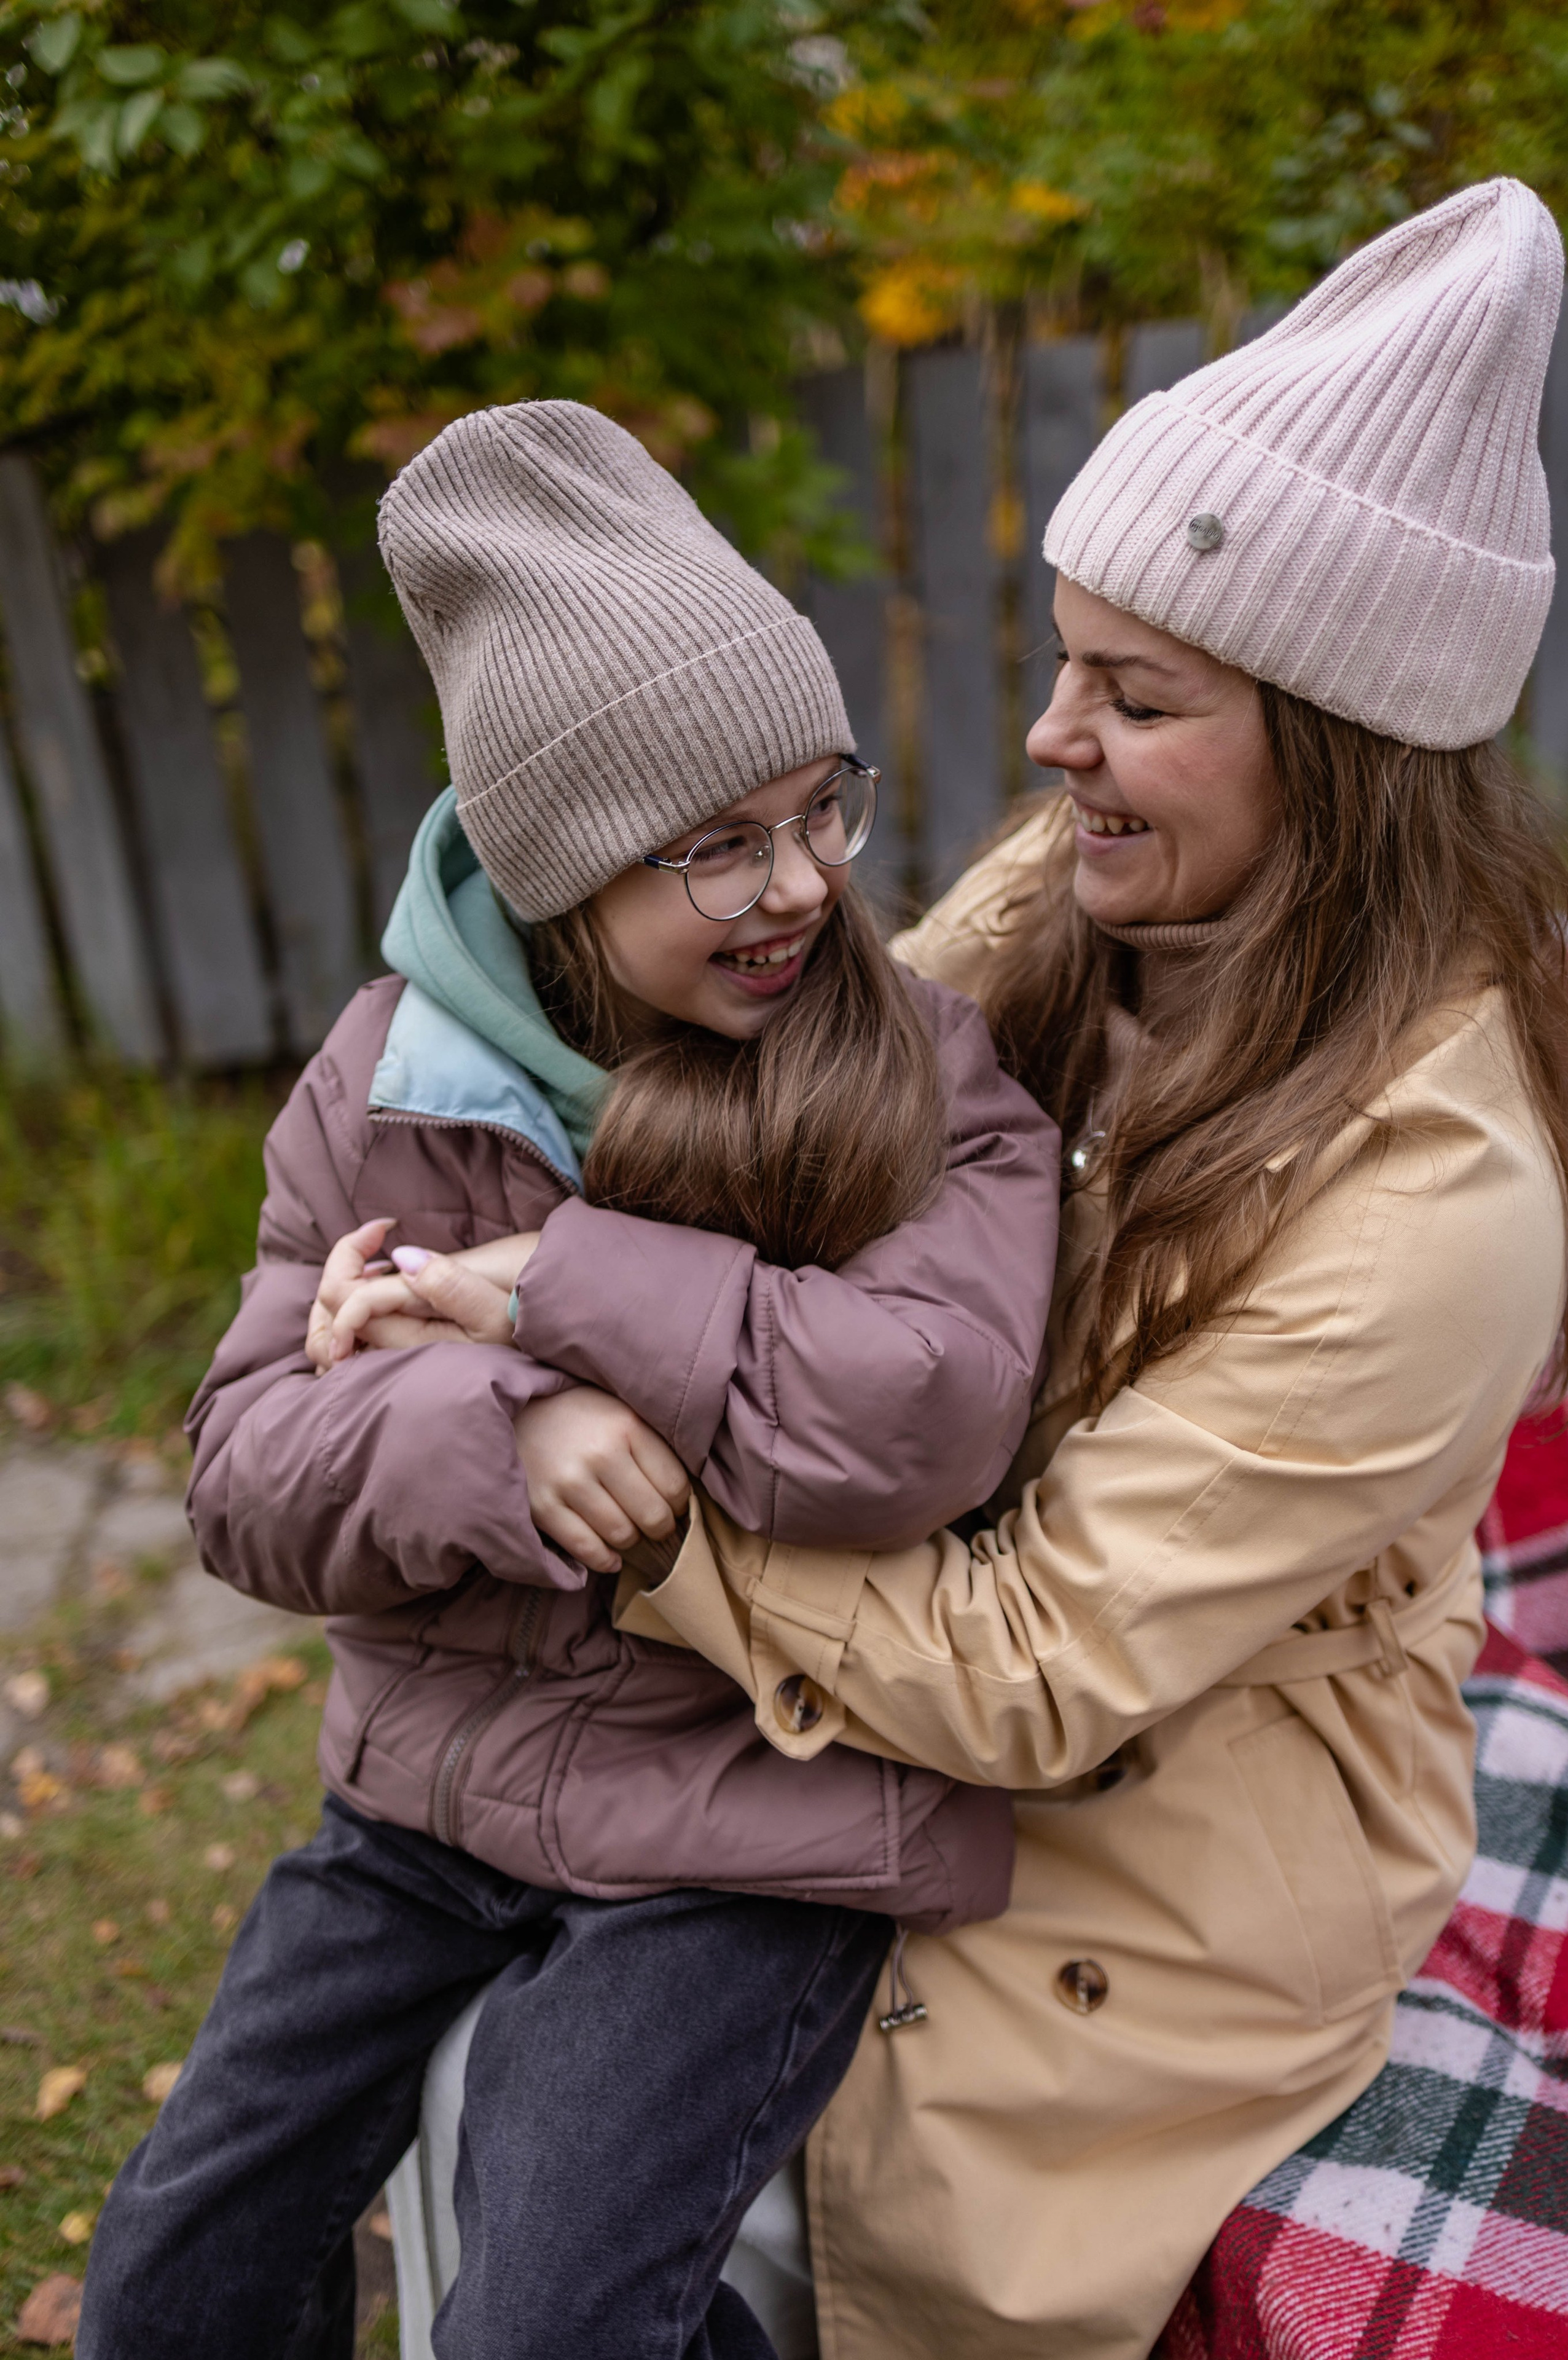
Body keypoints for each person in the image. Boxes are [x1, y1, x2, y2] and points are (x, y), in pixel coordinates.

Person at [568, 179, 1568, 2356]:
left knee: (841, 2215)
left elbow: (1034, 1668)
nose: (1047, 742)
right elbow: (811, 1156)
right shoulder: (1089, 893)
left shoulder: (1444, 1193)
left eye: (1133, 693)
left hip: (1150, 1877)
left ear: (1341, 751)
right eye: (1062, 666)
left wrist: (610, 1486)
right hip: (880, 1674)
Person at [75, 404, 1060, 2360]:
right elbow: (241, 1472)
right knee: (170, 2284)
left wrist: (552, 1297)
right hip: (421, 1814)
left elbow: (928, 1413)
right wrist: (499, 1434)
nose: (800, 885)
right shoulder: (389, 1080)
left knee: (543, 2322)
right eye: (719, 846)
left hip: (741, 1829)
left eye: (820, 809)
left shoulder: (915, 1074)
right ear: (555, 870)